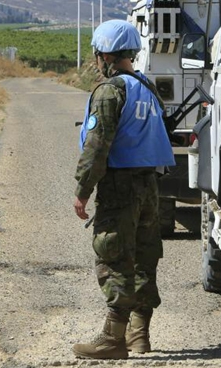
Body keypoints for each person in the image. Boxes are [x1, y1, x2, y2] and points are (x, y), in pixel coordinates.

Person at [72, 20, 175, 360]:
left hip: (120, 186)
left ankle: (112, 340)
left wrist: (83, 190)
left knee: (114, 254)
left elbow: (97, 146)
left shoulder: (110, 90)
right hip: (149, 185)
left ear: (105, 56)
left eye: (98, 55)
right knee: (145, 257)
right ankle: (139, 335)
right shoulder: (146, 88)